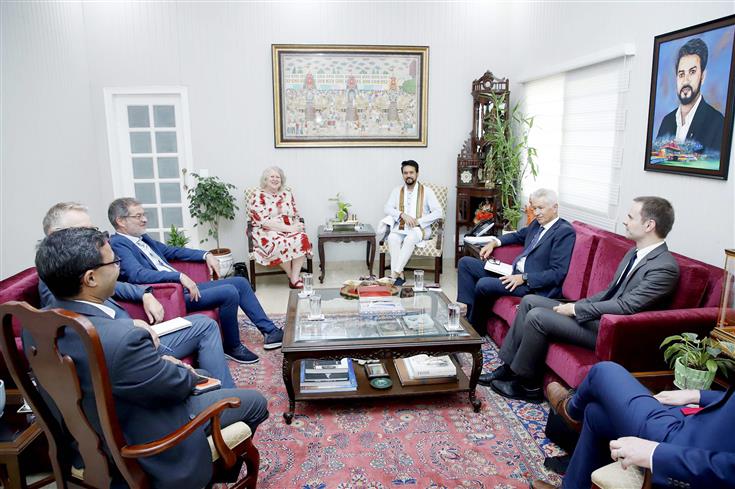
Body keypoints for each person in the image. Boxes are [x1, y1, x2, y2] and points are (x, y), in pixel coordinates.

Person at [31, 227, 269, 489]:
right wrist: (180, 370)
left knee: (209, 378)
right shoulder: (122, 338)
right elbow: (176, 387)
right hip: (145, 443)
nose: (119, 268)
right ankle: (213, 472)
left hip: (86, 441)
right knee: (253, 401)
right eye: (114, 262)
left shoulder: (37, 327)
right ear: (90, 279)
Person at [490, 196, 680, 402]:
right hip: (597, 316)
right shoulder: (634, 253)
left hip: (610, 331)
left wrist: (575, 310)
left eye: (630, 216)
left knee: (537, 316)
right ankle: (509, 368)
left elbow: (627, 305)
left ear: (649, 225)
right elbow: (610, 291)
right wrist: (577, 304)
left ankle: (528, 386)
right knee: (529, 301)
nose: (625, 221)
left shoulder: (664, 267)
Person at [38, 202, 236, 386]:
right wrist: (131, 325)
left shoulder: (83, 269)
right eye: (83, 231)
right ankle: (224, 397)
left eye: (93, 230)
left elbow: (118, 285)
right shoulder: (55, 279)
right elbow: (73, 323)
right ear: (56, 235)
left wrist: (145, 294)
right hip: (124, 347)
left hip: (132, 336)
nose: (95, 237)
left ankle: (218, 387)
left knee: (206, 321)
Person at [108, 197, 283, 365]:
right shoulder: (118, 244)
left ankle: (271, 332)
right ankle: (232, 346)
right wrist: (178, 276)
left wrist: (205, 254)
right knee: (229, 291)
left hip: (181, 287)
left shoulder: (142, 239)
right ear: (121, 221)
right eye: (138, 216)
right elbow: (137, 275)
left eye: (144, 214)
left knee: (240, 282)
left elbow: (171, 251)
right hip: (168, 295)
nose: (145, 219)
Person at [531, 361, 735, 489]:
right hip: (697, 420)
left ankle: (570, 410)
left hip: (684, 445)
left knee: (604, 371)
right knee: (595, 414)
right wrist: (698, 395)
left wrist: (657, 455)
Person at [457, 188, 575, 336]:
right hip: (512, 272)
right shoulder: (537, 224)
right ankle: (463, 311)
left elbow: (558, 273)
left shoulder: (564, 232)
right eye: (534, 208)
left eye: (541, 208)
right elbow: (518, 236)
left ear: (555, 207)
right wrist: (495, 242)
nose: (536, 213)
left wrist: (523, 278)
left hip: (530, 284)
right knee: (465, 263)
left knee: (484, 284)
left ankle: (475, 330)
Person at [656, 37, 725, 155]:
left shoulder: (717, 123)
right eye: (681, 74)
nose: (685, 80)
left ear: (702, 76)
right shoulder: (667, 121)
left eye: (692, 72)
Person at [378, 160, 443, 286]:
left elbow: (439, 212)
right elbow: (387, 208)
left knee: (410, 238)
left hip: (420, 229)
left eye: (411, 172)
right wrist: (402, 215)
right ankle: (400, 275)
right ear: (402, 174)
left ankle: (394, 274)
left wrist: (419, 221)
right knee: (392, 237)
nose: (408, 175)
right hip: (401, 227)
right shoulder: (397, 190)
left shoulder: (427, 191)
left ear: (417, 173)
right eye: (405, 173)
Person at [248, 166, 312, 288]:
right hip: (267, 231)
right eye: (272, 176)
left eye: (278, 177)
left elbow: (295, 213)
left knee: (302, 238)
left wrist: (296, 225)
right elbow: (263, 221)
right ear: (265, 179)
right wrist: (289, 229)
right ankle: (292, 276)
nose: (275, 179)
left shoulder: (287, 194)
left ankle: (294, 277)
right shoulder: (257, 195)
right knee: (280, 242)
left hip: (289, 227)